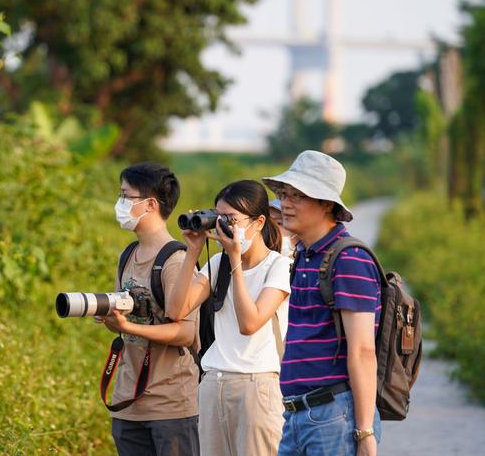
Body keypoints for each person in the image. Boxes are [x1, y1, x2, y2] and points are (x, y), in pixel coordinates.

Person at [262, 150, 382, 456]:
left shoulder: (349, 258)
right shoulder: (303, 255)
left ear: (326, 203)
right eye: (285, 195)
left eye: (297, 196)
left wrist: (365, 432)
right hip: (296, 415)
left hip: (334, 416)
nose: (285, 204)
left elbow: (363, 350)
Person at [168, 179, 291, 456]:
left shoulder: (279, 266)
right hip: (213, 384)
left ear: (259, 222)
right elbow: (176, 311)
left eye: (231, 219)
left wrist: (235, 260)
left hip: (255, 386)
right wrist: (193, 252)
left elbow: (250, 323)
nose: (223, 227)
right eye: (218, 218)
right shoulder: (217, 263)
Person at [97, 162, 200, 456]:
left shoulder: (176, 260)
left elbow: (185, 332)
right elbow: (121, 319)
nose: (119, 203)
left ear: (150, 204)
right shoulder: (128, 254)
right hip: (128, 403)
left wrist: (128, 327)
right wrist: (110, 317)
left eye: (125, 196)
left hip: (171, 406)